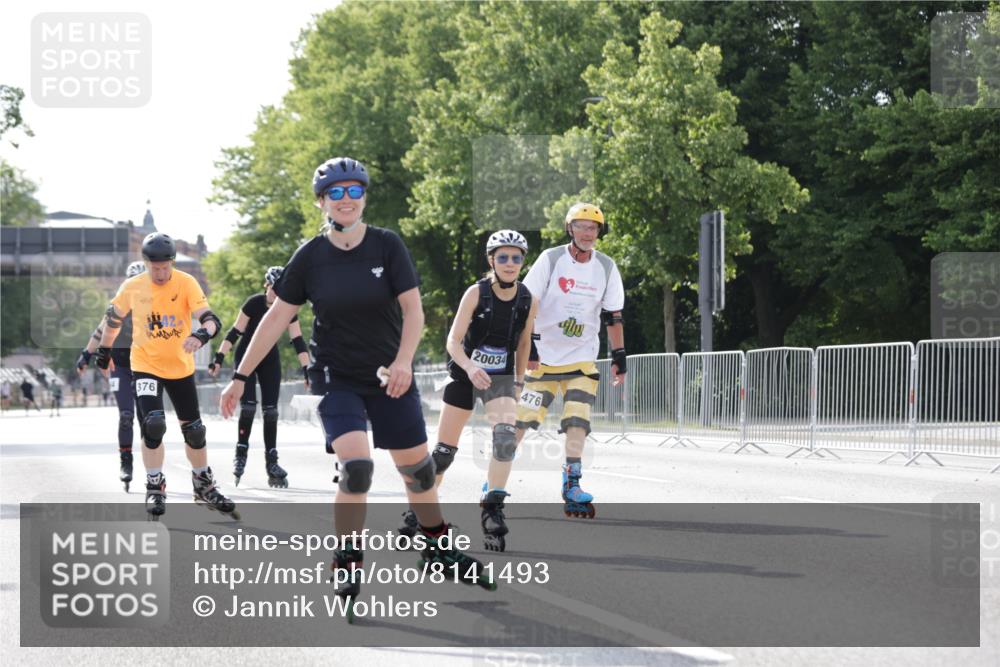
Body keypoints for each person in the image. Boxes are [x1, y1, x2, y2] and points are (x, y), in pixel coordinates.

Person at [219, 157, 494, 613]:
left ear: (364, 197)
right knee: (357, 470)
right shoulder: (310, 256)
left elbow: (414, 311)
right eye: (336, 192)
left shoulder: (387, 246)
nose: (346, 200)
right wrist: (239, 377)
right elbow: (275, 319)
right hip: (337, 377)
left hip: (389, 374)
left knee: (420, 472)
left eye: (354, 191)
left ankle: (436, 545)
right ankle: (347, 557)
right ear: (321, 201)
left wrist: (404, 361)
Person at [398, 230, 538, 552]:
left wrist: (519, 382)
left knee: (505, 440)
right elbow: (453, 340)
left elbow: (523, 343)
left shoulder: (528, 299)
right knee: (443, 454)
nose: (510, 263)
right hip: (464, 376)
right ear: (492, 260)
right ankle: (419, 510)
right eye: (503, 257)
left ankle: (492, 509)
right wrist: (471, 367)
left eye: (516, 258)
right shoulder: (476, 293)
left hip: (500, 379)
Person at [485, 202, 626, 522]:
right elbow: (527, 303)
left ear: (599, 232)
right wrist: (531, 347)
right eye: (581, 227)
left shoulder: (606, 267)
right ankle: (494, 482)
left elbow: (613, 316)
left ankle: (572, 484)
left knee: (578, 422)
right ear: (569, 229)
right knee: (520, 424)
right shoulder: (551, 259)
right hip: (543, 362)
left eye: (593, 228)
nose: (587, 233)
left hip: (582, 361)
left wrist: (619, 356)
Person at [96, 233, 236, 520]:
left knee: (194, 430)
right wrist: (103, 351)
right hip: (145, 365)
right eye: (154, 268)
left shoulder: (186, 282)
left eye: (165, 267)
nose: (160, 273)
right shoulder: (132, 286)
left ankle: (203, 483)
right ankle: (155, 485)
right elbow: (112, 320)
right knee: (153, 424)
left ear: (172, 262)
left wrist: (201, 334)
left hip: (180, 367)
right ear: (146, 263)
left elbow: (211, 319)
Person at [209, 265, 311, 488]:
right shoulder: (253, 303)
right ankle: (241, 453)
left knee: (271, 411)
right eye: (273, 288)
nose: (276, 294)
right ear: (267, 285)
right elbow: (235, 332)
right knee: (248, 407)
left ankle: (272, 462)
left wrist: (306, 369)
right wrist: (218, 357)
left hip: (269, 359)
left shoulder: (288, 308)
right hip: (245, 356)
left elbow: (298, 341)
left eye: (280, 290)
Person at [77, 260, 147, 491]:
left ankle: (153, 470)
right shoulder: (119, 303)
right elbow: (101, 330)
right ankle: (126, 461)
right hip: (120, 367)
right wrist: (86, 355)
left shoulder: (156, 304)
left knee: (149, 420)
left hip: (146, 367)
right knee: (126, 415)